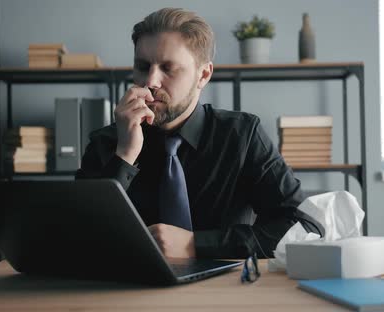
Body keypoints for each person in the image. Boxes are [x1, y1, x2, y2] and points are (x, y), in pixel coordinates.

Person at [76, 8, 322, 259]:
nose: (151, 81)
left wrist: (196, 244)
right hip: (127, 291)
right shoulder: (105, 143)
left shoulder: (242, 136)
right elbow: (79, 239)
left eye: (168, 68)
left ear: (203, 75)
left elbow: (306, 228)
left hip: (224, 292)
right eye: (143, 66)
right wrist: (124, 156)